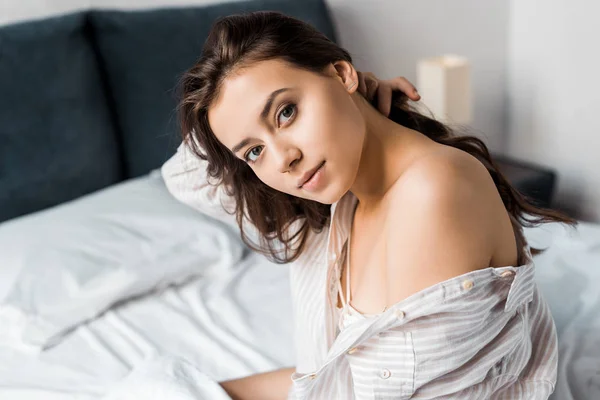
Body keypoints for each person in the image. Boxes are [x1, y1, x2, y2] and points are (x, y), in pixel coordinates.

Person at [161, 10, 577, 400]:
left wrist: (352, 90)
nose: (282, 159)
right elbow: (184, 179)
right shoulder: (326, 210)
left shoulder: (434, 188)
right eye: (253, 152)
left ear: (341, 72)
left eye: (286, 112)